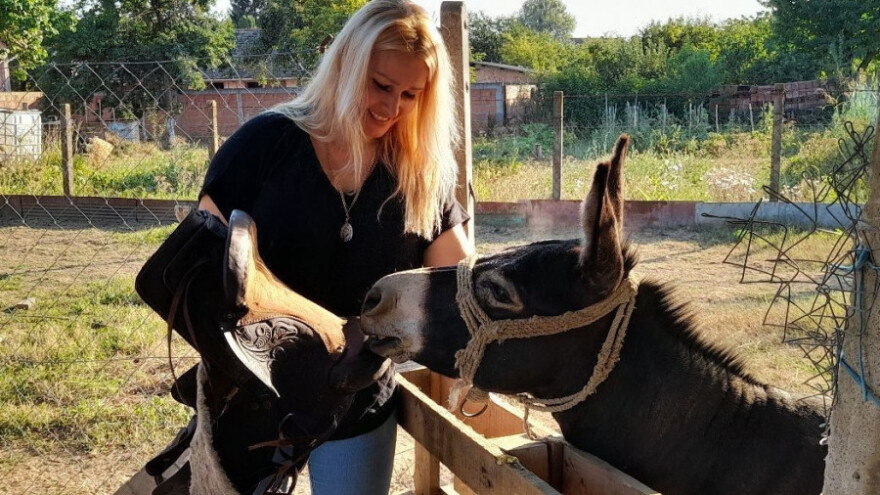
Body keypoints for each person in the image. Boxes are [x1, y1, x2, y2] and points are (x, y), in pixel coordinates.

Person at [197, 0, 473, 493]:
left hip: (357, 393)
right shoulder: (267, 143)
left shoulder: (419, 174)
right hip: (253, 389)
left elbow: (459, 285)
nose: (390, 109)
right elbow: (202, 263)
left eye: (411, 94)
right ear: (345, 65)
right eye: (380, 85)